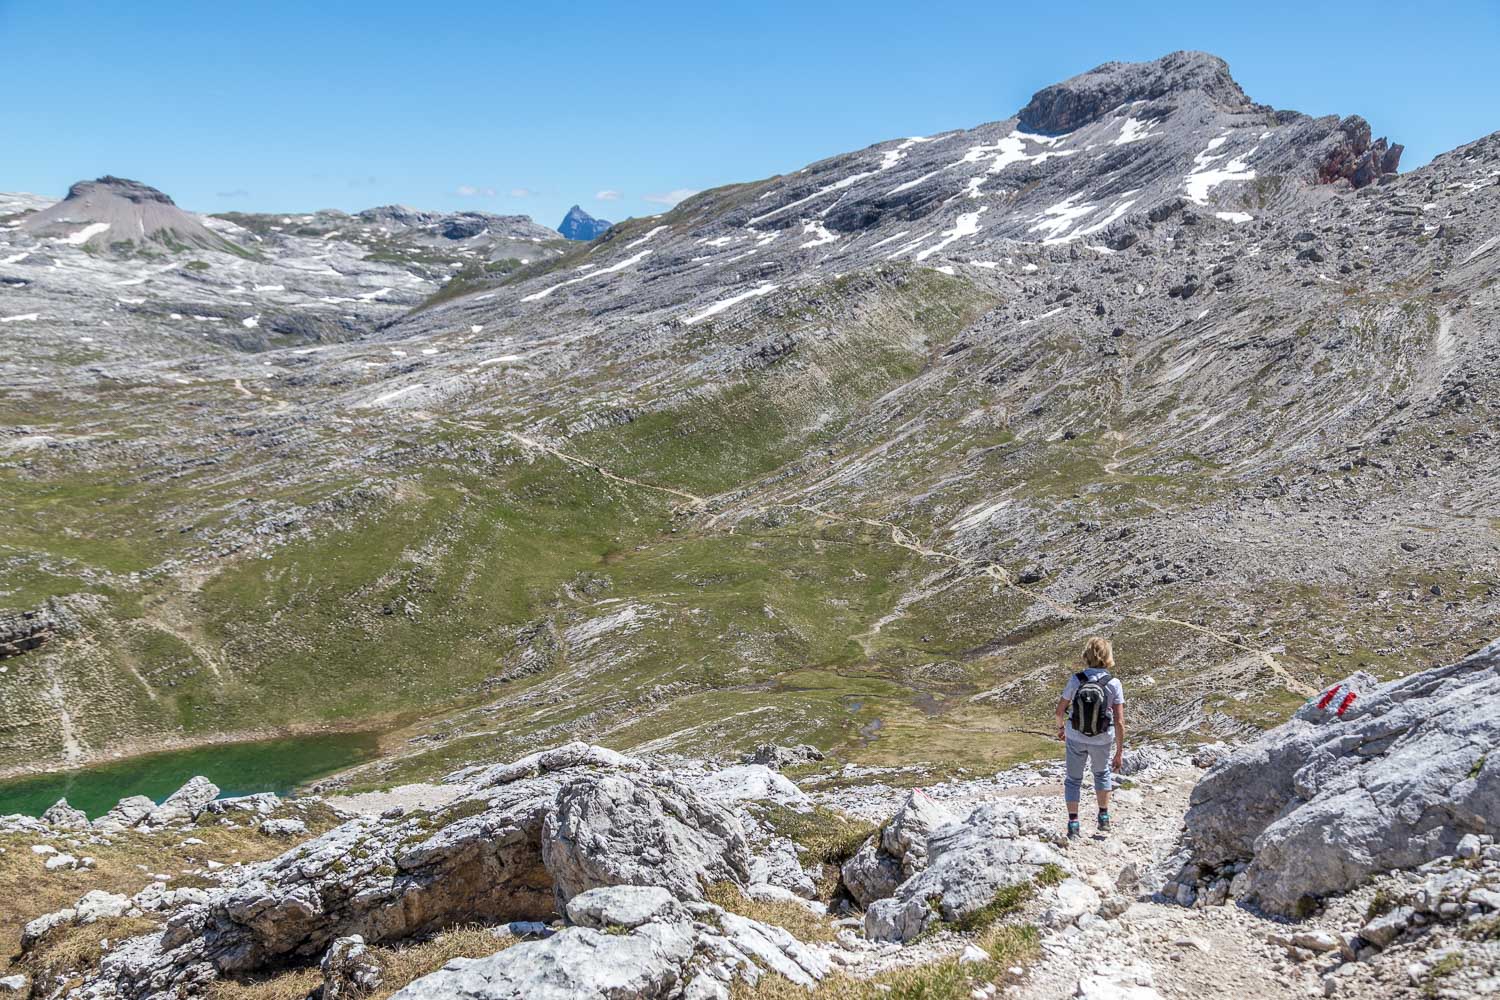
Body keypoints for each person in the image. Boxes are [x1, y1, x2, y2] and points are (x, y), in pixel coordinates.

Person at [1054, 637, 1126, 839]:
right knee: (1102, 774)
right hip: (1102, 738)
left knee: (1073, 780)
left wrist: (1062, 730)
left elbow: (1060, 711)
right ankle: (1103, 817)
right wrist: (1119, 752)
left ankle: (1074, 823)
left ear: (1087, 655)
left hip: (1075, 736)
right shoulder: (1114, 683)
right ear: (1108, 657)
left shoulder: (1076, 680)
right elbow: (1120, 721)